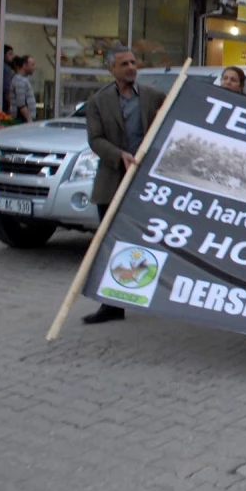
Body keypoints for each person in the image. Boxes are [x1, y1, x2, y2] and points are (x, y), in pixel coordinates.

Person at [82, 48, 168, 325]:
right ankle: (111, 305)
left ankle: (150, 296)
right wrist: (119, 155)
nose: (132, 67)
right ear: (113, 70)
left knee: (145, 243)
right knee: (110, 244)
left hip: (145, 184)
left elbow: (172, 118)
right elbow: (95, 139)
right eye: (124, 64)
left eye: (133, 62)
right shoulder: (98, 101)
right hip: (112, 181)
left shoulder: (152, 96)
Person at [10, 56, 37, 122]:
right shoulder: (19, 80)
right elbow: (21, 104)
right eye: (32, 65)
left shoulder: (24, 79)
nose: (34, 68)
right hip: (22, 119)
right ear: (24, 65)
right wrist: (29, 119)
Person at [0, 44, 16, 113]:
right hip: (4, 103)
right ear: (3, 55)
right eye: (10, 54)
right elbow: (7, 89)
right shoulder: (6, 69)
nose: (12, 57)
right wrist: (10, 105)